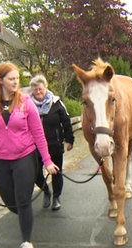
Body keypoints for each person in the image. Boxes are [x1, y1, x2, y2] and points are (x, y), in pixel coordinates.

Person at [0, 62, 58, 248]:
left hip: (24, 158)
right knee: (11, 203)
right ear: (0, 80)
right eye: (11, 78)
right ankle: (26, 216)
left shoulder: (26, 102)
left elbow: (38, 133)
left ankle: (26, 242)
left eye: (17, 78)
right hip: (0, 161)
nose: (16, 82)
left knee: (23, 200)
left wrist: (47, 161)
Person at [29, 75, 75, 211]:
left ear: (46, 87)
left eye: (40, 89)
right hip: (35, 147)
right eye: (35, 90)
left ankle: (56, 197)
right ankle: (46, 191)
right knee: (35, 173)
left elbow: (66, 121)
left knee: (56, 172)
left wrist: (69, 140)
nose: (38, 92)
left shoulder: (56, 103)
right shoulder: (28, 104)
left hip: (54, 144)